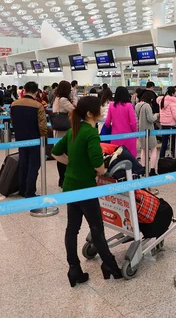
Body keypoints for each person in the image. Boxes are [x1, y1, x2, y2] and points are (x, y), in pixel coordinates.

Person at [51, 96, 123, 285]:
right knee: (96, 228)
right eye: (99, 108)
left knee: (72, 229)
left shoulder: (74, 130)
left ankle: (73, 268)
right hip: (86, 188)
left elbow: (55, 152)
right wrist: (103, 170)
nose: (102, 110)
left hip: (70, 186)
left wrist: (73, 163)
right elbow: (98, 165)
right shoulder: (91, 133)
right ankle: (109, 265)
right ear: (91, 113)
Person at [10, 82, 48, 198]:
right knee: (34, 166)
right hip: (35, 139)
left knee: (23, 163)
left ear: (24, 90)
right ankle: (30, 192)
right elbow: (42, 126)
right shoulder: (38, 106)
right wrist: (44, 139)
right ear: (36, 92)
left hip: (21, 138)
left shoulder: (14, 104)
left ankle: (22, 189)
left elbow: (12, 121)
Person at [52, 80, 75, 188]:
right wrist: (74, 96)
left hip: (58, 131)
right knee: (64, 156)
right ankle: (64, 180)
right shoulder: (63, 100)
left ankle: (62, 180)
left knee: (60, 155)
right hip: (64, 131)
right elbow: (74, 109)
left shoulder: (57, 98)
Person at [104, 87, 138, 157]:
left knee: (117, 157)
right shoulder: (129, 106)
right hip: (129, 136)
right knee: (129, 158)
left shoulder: (111, 105)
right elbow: (133, 122)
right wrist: (135, 132)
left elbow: (107, 122)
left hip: (115, 137)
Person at [157, 86, 176, 159]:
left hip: (164, 124)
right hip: (172, 125)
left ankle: (161, 159)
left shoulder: (162, 101)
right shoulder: (173, 103)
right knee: (173, 143)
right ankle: (174, 159)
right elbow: (175, 116)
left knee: (164, 143)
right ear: (173, 93)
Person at [135, 91, 159, 176]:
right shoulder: (147, 106)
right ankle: (152, 170)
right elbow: (150, 119)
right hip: (149, 130)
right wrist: (156, 115)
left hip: (141, 131)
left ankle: (143, 169)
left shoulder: (137, 105)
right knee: (153, 149)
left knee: (143, 149)